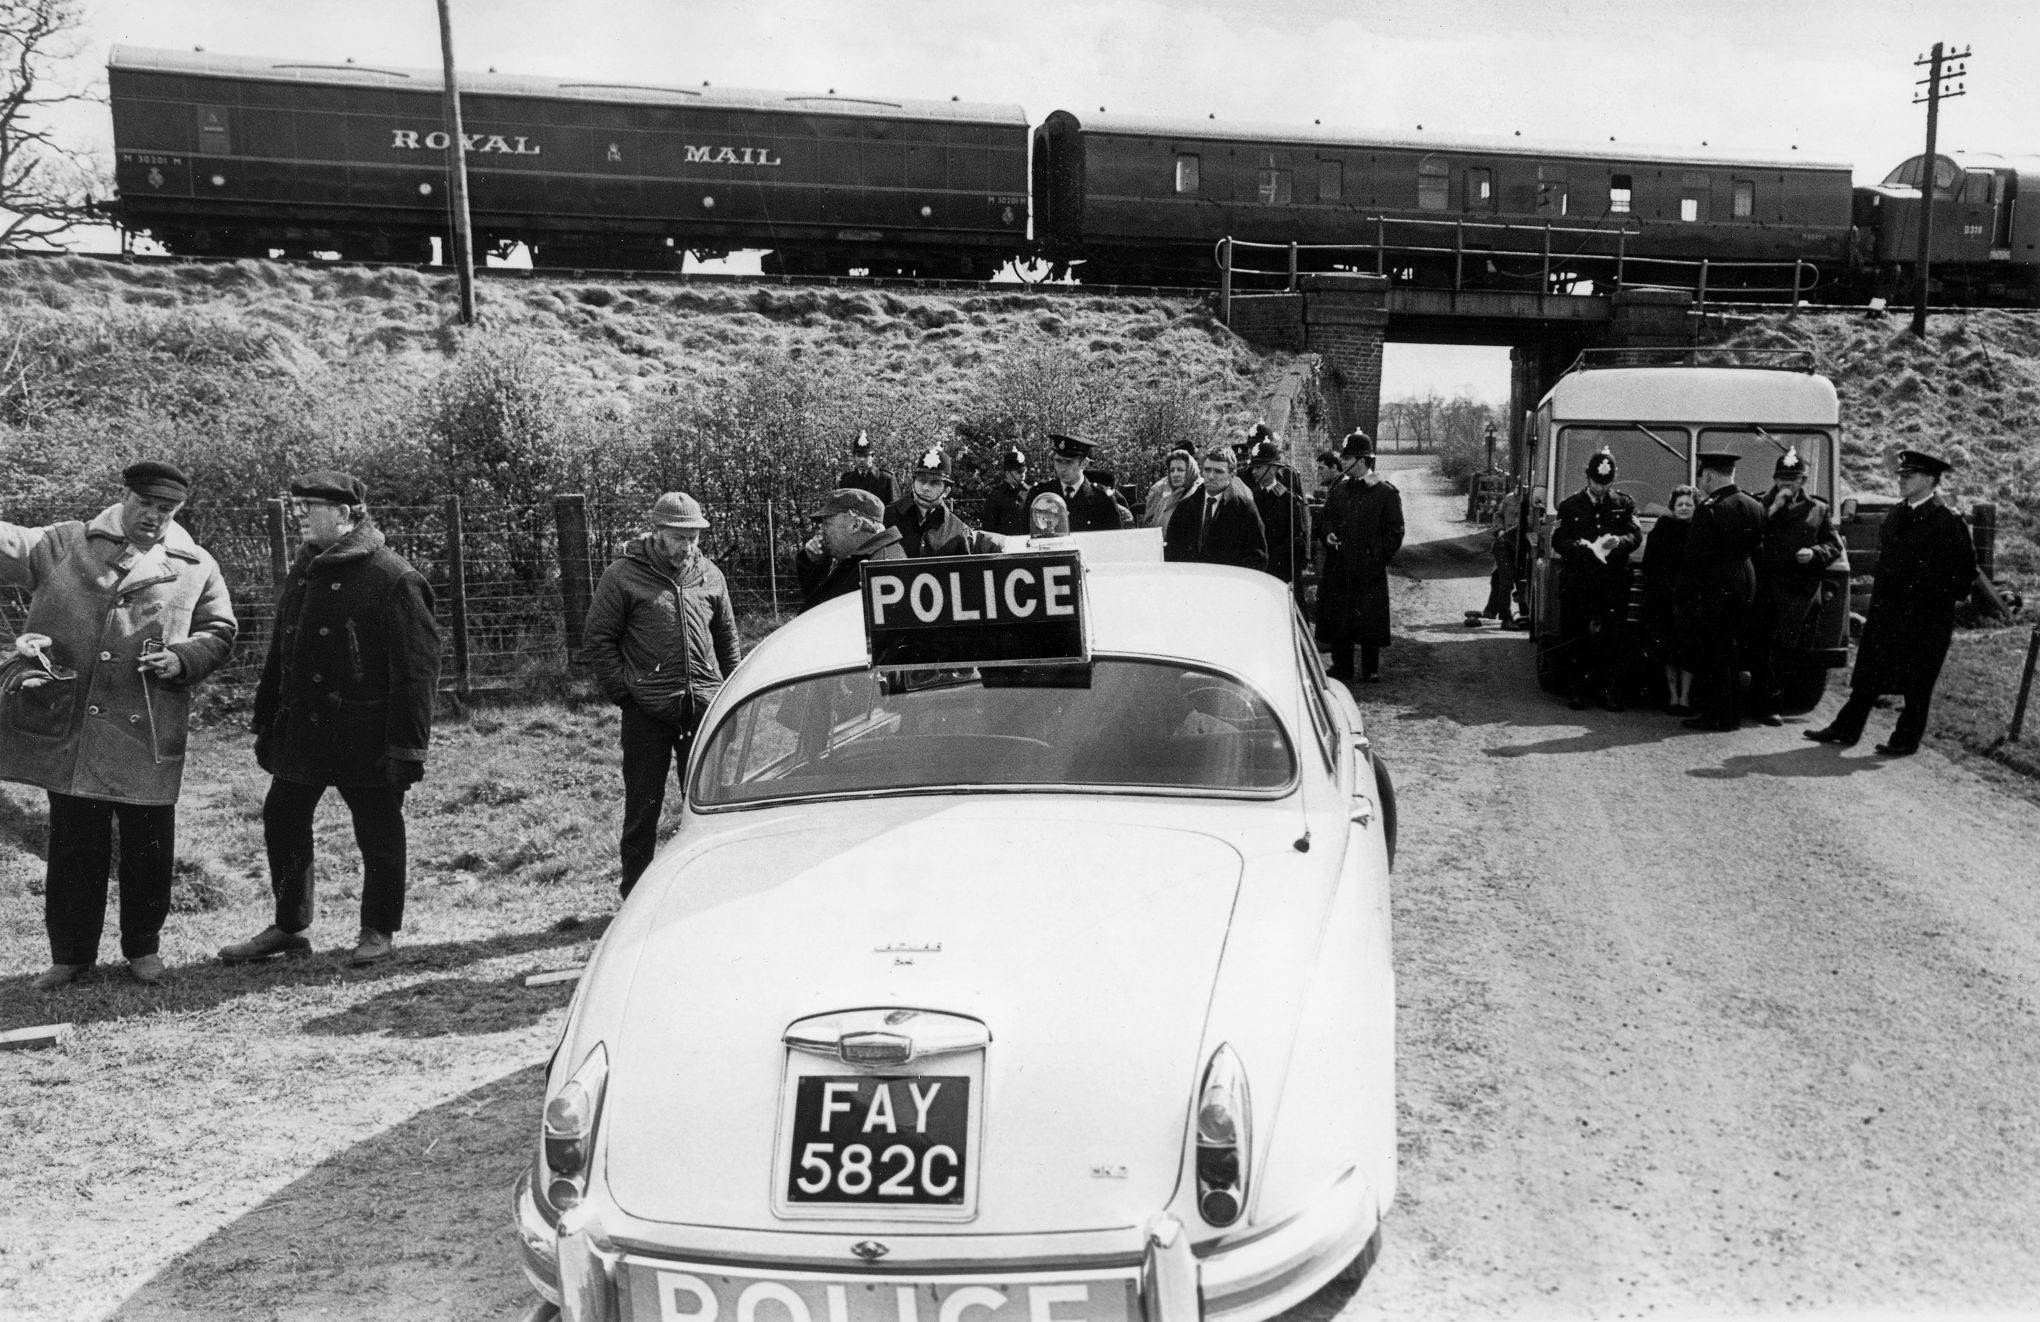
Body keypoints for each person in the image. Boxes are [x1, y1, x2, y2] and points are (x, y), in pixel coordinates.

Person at [0, 461, 237, 989]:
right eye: (146, 504)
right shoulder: (64, 544)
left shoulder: (196, 563)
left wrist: (183, 659)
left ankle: (143, 950)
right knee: (73, 845)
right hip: (75, 725)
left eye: (167, 509)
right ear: (124, 496)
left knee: (149, 846)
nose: (154, 517)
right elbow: (7, 544)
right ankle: (71, 956)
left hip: (147, 725)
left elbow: (219, 630)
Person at [221, 472, 440, 966]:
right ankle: (289, 927)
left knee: (379, 830)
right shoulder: (307, 568)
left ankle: (378, 929)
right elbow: (283, 649)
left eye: (310, 508)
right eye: (298, 507)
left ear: (344, 515)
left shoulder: (394, 577)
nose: (300, 516)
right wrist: (266, 721)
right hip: (304, 732)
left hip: (365, 734)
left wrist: (407, 748)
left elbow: (417, 672)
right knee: (283, 817)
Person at [579, 491, 741, 898]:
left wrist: (731, 693)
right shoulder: (622, 576)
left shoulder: (710, 576)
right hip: (646, 713)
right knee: (643, 808)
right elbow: (598, 640)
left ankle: (705, 892)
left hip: (702, 709)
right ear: (656, 533)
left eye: (695, 537)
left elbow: (727, 639)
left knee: (706, 806)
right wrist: (626, 695)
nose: (689, 546)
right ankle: (634, 897)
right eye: (679, 537)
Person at [1806, 448, 1978, 755]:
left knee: (1918, 685)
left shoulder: (1947, 520)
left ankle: (1905, 741)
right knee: (1869, 674)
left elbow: (1963, 576)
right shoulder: (1900, 512)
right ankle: (1845, 730)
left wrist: (1931, 601)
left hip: (1926, 619)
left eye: (1909, 476)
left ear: (1929, 480)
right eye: (1901, 475)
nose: (1901, 481)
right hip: (1888, 613)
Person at [1742, 446, 1843, 726]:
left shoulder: (1818, 509)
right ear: (1774, 480)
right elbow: (1748, 534)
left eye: (1793, 480)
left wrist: (1815, 553)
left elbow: (1834, 545)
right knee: (1758, 645)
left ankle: (1772, 705)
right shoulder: (1759, 505)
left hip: (1796, 591)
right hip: (1763, 586)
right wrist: (1771, 510)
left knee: (1785, 650)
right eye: (1781, 479)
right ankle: (1754, 701)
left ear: (1803, 481)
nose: (1786, 484)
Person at [1674, 451, 1766, 731]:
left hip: (1716, 587)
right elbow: (1758, 550)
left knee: (1714, 651)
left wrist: (1683, 594)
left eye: (1702, 476)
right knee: (1731, 648)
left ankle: (1718, 715)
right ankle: (1732, 712)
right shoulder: (1754, 505)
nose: (1701, 481)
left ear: (1710, 475)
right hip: (1745, 582)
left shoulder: (1710, 508)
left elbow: (1695, 558)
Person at [1552, 447, 1643, 711]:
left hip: (1613, 583)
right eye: (1596, 482)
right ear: (1587, 477)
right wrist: (1578, 547)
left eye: (1606, 483)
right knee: (1576, 636)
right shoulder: (1569, 506)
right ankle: (1577, 691)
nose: (1601, 488)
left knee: (1613, 639)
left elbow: (1634, 535)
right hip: (1580, 582)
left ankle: (1609, 693)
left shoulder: (1625, 504)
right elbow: (1559, 540)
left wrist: (1620, 541)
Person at [1317, 431, 1404, 682]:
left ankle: (1370, 668)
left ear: (1362, 460)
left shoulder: (1385, 493)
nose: (1342, 462)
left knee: (1369, 620)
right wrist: (1329, 533)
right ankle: (1341, 665)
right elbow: (1326, 520)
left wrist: (1376, 559)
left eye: (1347, 458)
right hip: (1341, 567)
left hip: (1369, 570)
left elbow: (1394, 532)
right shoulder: (1340, 490)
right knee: (1341, 618)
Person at [1640, 483, 1701, 714]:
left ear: (1696, 507)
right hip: (1665, 599)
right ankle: (1673, 695)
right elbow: (1650, 564)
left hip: (1690, 600)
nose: (1684, 508)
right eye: (1680, 504)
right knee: (1668, 649)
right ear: (1672, 507)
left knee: (1688, 650)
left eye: (1689, 504)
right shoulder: (1662, 528)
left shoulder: (1701, 530)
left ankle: (1685, 697)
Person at [796, 488, 908, 611]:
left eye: (827, 523)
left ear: (856, 525)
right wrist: (814, 562)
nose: (821, 530)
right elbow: (815, 600)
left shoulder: (880, 566)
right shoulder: (857, 557)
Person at [886, 444, 1003, 557]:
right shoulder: (887, 517)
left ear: (946, 491)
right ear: (913, 482)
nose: (926, 488)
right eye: (922, 480)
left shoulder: (957, 530)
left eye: (934, 483)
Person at [1163, 447, 1269, 571]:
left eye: (1218, 471)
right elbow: (1170, 551)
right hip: (1191, 583)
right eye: (1207, 470)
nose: (1211, 476)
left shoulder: (1244, 508)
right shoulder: (1185, 506)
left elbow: (1257, 558)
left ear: (1232, 474)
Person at [1246, 438, 1311, 601]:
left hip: (1281, 570)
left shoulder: (1288, 500)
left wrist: (1272, 560)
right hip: (1256, 568)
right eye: (1253, 467)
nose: (1254, 472)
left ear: (1274, 468)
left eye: (1259, 467)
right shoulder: (1250, 497)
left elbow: (1295, 538)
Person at [1027, 433, 1123, 532]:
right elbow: (1023, 534)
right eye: (1058, 461)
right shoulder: (1040, 494)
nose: (1062, 468)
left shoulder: (1102, 498)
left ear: (1084, 463)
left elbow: (1114, 540)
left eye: (1069, 462)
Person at [980, 446, 1032, 537]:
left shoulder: (1030, 493)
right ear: (1008, 474)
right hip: (1005, 546)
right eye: (1019, 471)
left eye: (1024, 471)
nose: (1022, 475)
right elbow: (989, 528)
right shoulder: (996, 496)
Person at [1143, 448, 1197, 529]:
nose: (1175, 474)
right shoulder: (1164, 501)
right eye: (1172, 470)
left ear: (1190, 471)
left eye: (1180, 470)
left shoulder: (1198, 497)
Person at [838, 432, 895, 506]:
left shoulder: (886, 479)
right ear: (854, 456)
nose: (862, 459)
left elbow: (895, 510)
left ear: (873, 456)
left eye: (865, 456)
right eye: (859, 456)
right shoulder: (846, 481)